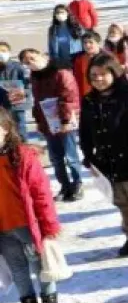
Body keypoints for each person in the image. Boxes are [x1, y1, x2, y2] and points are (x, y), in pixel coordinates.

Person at [79, 53, 128, 258]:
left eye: (103, 74)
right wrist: (88, 154)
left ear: (114, 73)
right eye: (94, 75)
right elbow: (85, 130)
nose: (98, 79)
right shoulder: (89, 100)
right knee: (122, 202)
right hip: (107, 161)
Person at [0, 106, 66, 303]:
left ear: (6, 130)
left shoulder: (21, 156)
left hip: (28, 225)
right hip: (3, 229)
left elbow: (41, 193)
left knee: (41, 268)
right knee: (18, 271)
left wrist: (48, 226)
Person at [21, 49, 82, 201]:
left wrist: (66, 121)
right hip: (49, 122)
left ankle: (77, 184)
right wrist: (39, 121)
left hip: (65, 120)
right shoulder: (35, 77)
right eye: (27, 62)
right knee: (56, 157)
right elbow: (37, 101)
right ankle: (65, 186)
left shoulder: (61, 73)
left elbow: (69, 96)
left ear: (42, 56)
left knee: (71, 155)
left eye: (32, 58)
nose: (31, 63)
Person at [0, 41, 31, 137]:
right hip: (2, 103)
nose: (1, 53)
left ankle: (23, 147)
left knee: (20, 126)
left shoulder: (18, 67)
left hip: (17, 103)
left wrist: (23, 94)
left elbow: (28, 84)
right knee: (5, 128)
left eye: (3, 51)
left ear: (9, 52)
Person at [47, 4, 85, 69]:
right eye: (57, 12)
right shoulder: (52, 29)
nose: (60, 14)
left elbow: (84, 41)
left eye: (62, 12)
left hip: (77, 58)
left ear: (67, 13)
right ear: (55, 15)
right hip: (61, 60)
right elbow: (51, 46)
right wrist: (53, 60)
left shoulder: (76, 27)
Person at [72, 32, 103, 98]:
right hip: (86, 96)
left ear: (98, 43)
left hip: (104, 95)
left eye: (90, 42)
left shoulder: (107, 58)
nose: (87, 45)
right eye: (85, 43)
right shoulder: (79, 59)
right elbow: (77, 80)